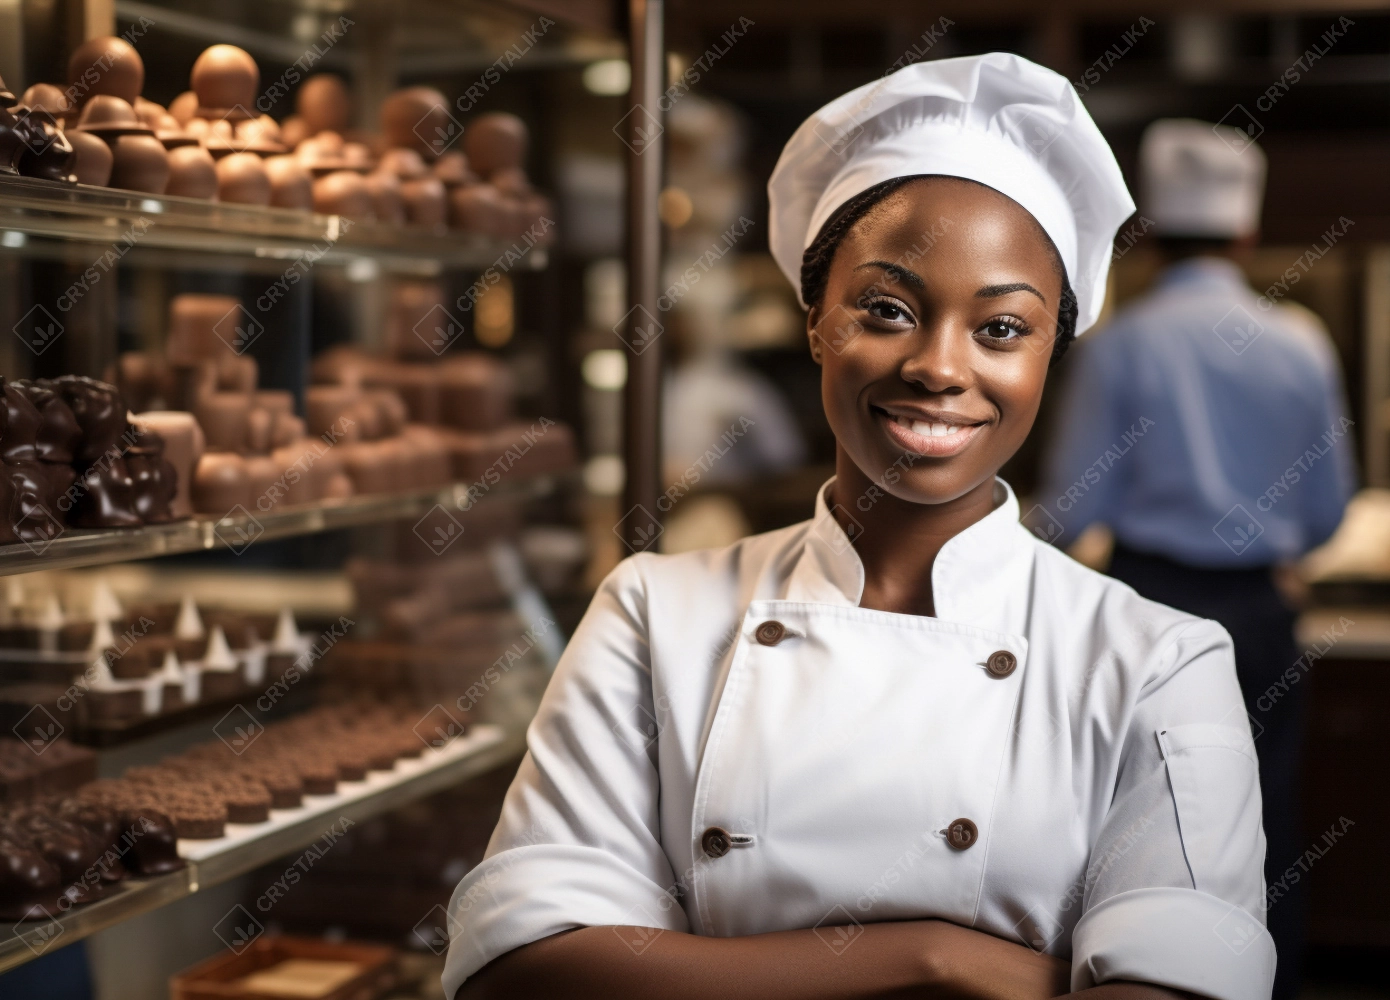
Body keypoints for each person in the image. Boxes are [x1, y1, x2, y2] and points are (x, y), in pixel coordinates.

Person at [446, 57, 1272, 1000]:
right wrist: (936, 956)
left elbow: (1183, 986)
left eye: (1001, 328)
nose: (938, 365)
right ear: (813, 321)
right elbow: (521, 964)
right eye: (886, 310)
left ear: (1052, 353)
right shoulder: (651, 611)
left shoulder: (1159, 660)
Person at [1039, 119, 1356, 1000]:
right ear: (1247, 234)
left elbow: (1068, 512)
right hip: (1260, 611)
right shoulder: (1301, 341)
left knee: (1135, 833)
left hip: (1147, 603)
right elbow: (1330, 510)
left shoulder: (1119, 344)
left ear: (1146, 236)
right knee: (1267, 828)